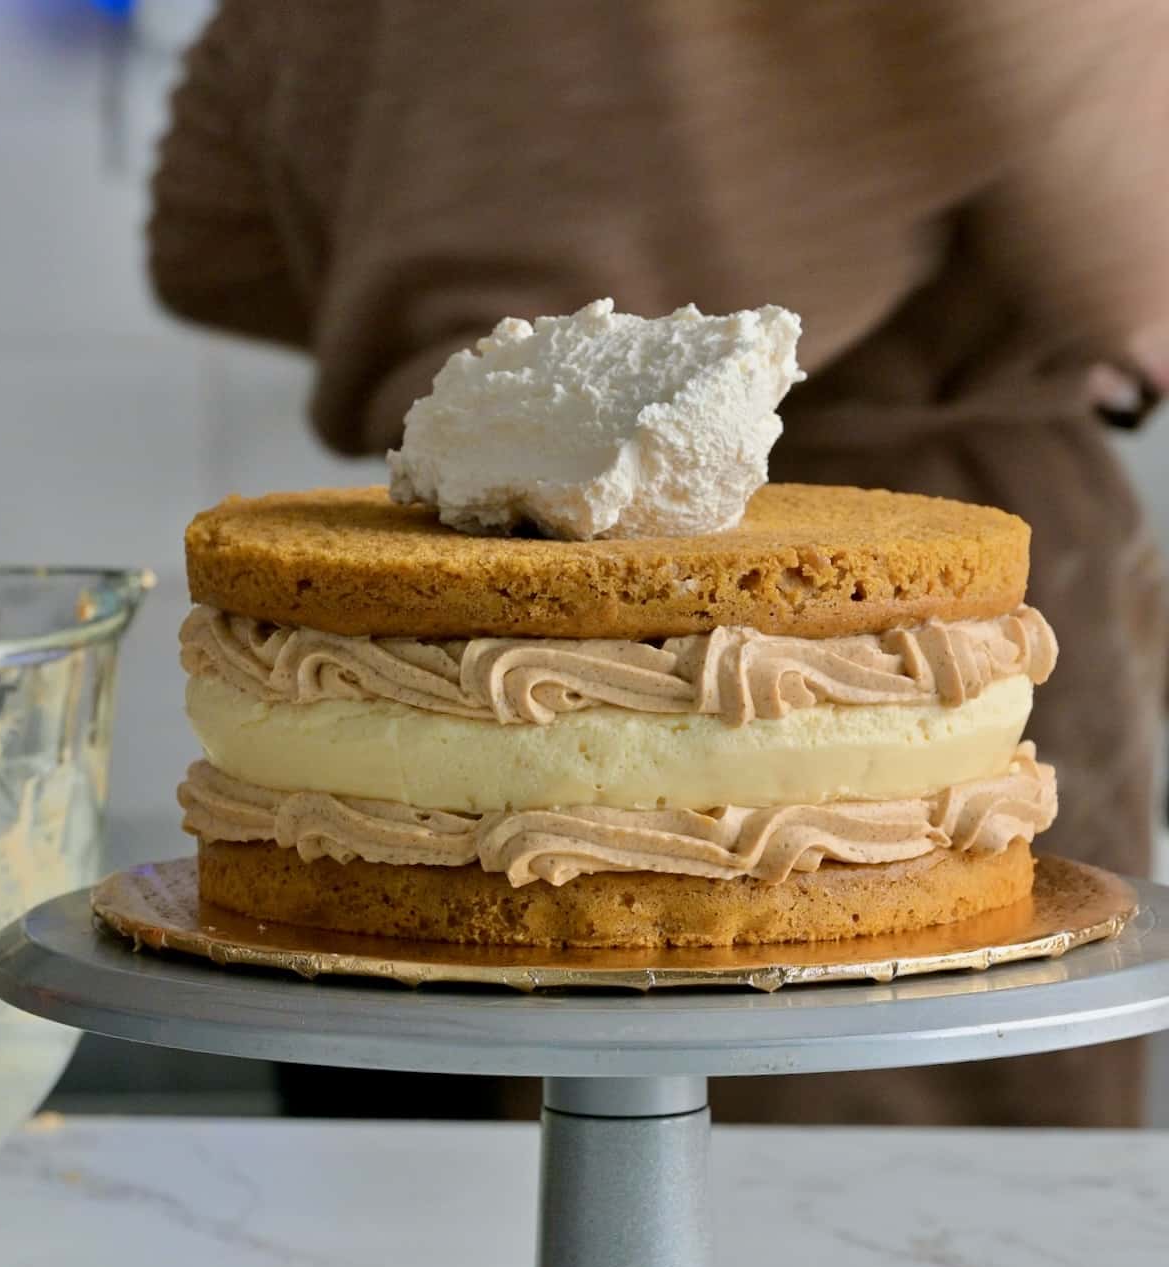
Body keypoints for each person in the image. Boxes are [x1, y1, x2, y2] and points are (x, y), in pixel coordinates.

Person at [150, 0, 1169, 1127]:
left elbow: (207, 234)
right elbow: (1117, 261)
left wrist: (492, 363)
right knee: (871, 1237)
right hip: (875, 579)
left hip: (426, 566)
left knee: (451, 1226)